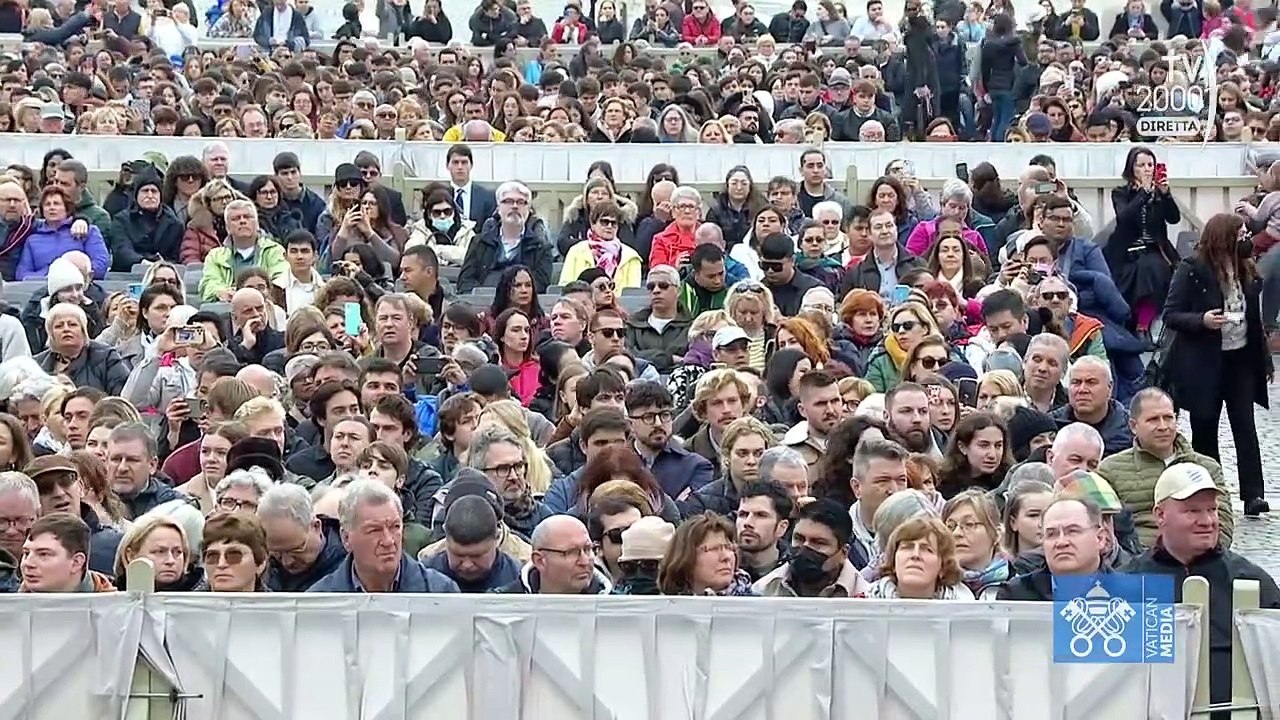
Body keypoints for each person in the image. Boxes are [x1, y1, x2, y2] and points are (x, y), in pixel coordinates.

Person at [1124, 463, 1280, 708]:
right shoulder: (1127, 582)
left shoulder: (1251, 580)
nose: (1207, 521)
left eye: (1212, 509)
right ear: (1160, 515)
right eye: (1192, 511)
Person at [1161, 212, 1273, 517]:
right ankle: (1213, 491)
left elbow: (1254, 321)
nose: (1246, 240)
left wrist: (1264, 364)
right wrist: (1202, 320)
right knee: (1205, 427)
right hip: (1204, 362)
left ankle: (1254, 495)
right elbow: (1171, 313)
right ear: (1224, 237)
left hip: (1239, 360)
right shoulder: (1192, 269)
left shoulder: (1246, 269)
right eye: (1240, 235)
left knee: (1245, 427)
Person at [1100, 388, 1234, 549]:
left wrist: (1207, 554)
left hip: (1201, 558)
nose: (1163, 426)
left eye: (1168, 418)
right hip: (1139, 561)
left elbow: (1224, 522)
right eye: (1153, 420)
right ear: (1133, 426)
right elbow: (1104, 527)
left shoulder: (1207, 467)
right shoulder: (1110, 470)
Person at [308, 481, 460, 593]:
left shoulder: (441, 592)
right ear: (346, 538)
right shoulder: (320, 602)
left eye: (395, 527)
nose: (388, 541)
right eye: (374, 530)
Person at [753, 498, 869, 597]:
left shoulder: (867, 598)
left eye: (818, 543)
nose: (805, 548)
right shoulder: (763, 590)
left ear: (844, 553)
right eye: (799, 539)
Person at [999, 496, 1108, 601]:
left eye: (1072, 531)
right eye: (1051, 534)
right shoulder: (1015, 595)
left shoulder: (1123, 592)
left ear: (1100, 538)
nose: (1061, 542)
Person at [257, 483, 348, 592]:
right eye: (276, 553)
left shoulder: (349, 569)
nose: (287, 562)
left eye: (296, 550)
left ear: (316, 526)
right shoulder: (259, 569)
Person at [422, 494, 522, 592]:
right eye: (458, 555)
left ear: (496, 539)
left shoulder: (518, 577)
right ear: (446, 541)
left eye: (477, 556)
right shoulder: (424, 578)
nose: (467, 565)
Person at [494, 515, 613, 594]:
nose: (585, 561)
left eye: (588, 549)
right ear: (540, 561)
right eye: (571, 553)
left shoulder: (616, 609)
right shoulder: (499, 607)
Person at [860, 517, 974, 599]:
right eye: (907, 547)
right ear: (893, 562)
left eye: (927, 549)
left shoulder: (966, 610)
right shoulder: (862, 606)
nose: (915, 555)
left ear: (943, 566)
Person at [657, 512, 754, 595]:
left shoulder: (758, 608)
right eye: (714, 549)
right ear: (686, 557)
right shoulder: (660, 609)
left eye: (730, 548)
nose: (726, 557)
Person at [19, 512, 114, 592]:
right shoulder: (12, 608)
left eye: (43, 554)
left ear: (76, 562)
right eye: (26, 553)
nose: (28, 563)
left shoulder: (116, 609)